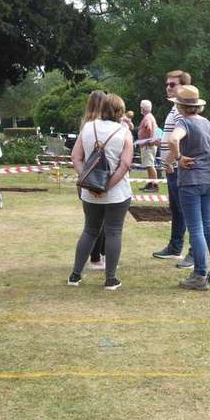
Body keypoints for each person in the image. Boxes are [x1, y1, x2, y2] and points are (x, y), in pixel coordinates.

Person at [68, 93, 133, 290]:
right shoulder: (124, 133)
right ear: (120, 112)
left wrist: (89, 181)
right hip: (118, 193)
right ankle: (110, 279)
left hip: (90, 194)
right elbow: (125, 165)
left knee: (89, 231)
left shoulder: (88, 127)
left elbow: (76, 157)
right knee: (114, 232)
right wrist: (107, 186)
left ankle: (75, 275)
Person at [165, 85, 210, 290]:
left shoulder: (183, 122)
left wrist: (178, 158)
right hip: (209, 180)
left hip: (190, 180)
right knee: (209, 225)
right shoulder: (208, 123)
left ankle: (199, 275)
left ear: (180, 106)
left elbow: (173, 139)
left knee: (196, 229)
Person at [151, 70, 194, 269]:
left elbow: (179, 139)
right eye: (167, 84)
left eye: (172, 84)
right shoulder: (174, 110)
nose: (167, 87)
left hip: (178, 169)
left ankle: (194, 253)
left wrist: (169, 161)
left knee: (188, 211)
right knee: (177, 210)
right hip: (173, 168)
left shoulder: (180, 112)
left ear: (183, 87)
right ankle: (175, 247)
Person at [78, 90, 108, 270]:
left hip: (86, 177)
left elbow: (77, 156)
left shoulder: (84, 126)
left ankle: (96, 256)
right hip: (101, 177)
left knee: (91, 221)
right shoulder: (103, 126)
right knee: (102, 222)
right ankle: (97, 257)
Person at [138, 99, 159, 192]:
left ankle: (154, 186)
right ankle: (150, 183)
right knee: (148, 165)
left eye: (141, 107)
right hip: (149, 144)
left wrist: (149, 140)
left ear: (143, 108)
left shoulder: (147, 117)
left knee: (150, 165)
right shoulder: (150, 116)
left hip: (148, 145)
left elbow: (148, 128)